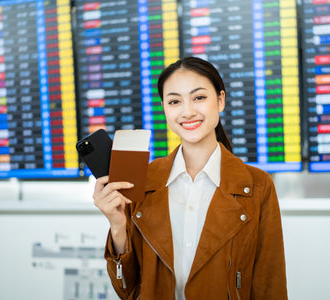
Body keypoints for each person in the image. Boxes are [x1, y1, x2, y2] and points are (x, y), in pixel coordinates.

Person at [93, 57, 287, 299]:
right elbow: (127, 290)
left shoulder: (257, 185)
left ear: (220, 100)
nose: (188, 111)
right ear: (164, 108)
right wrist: (118, 225)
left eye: (199, 97)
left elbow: (271, 285)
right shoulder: (141, 181)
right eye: (175, 101)